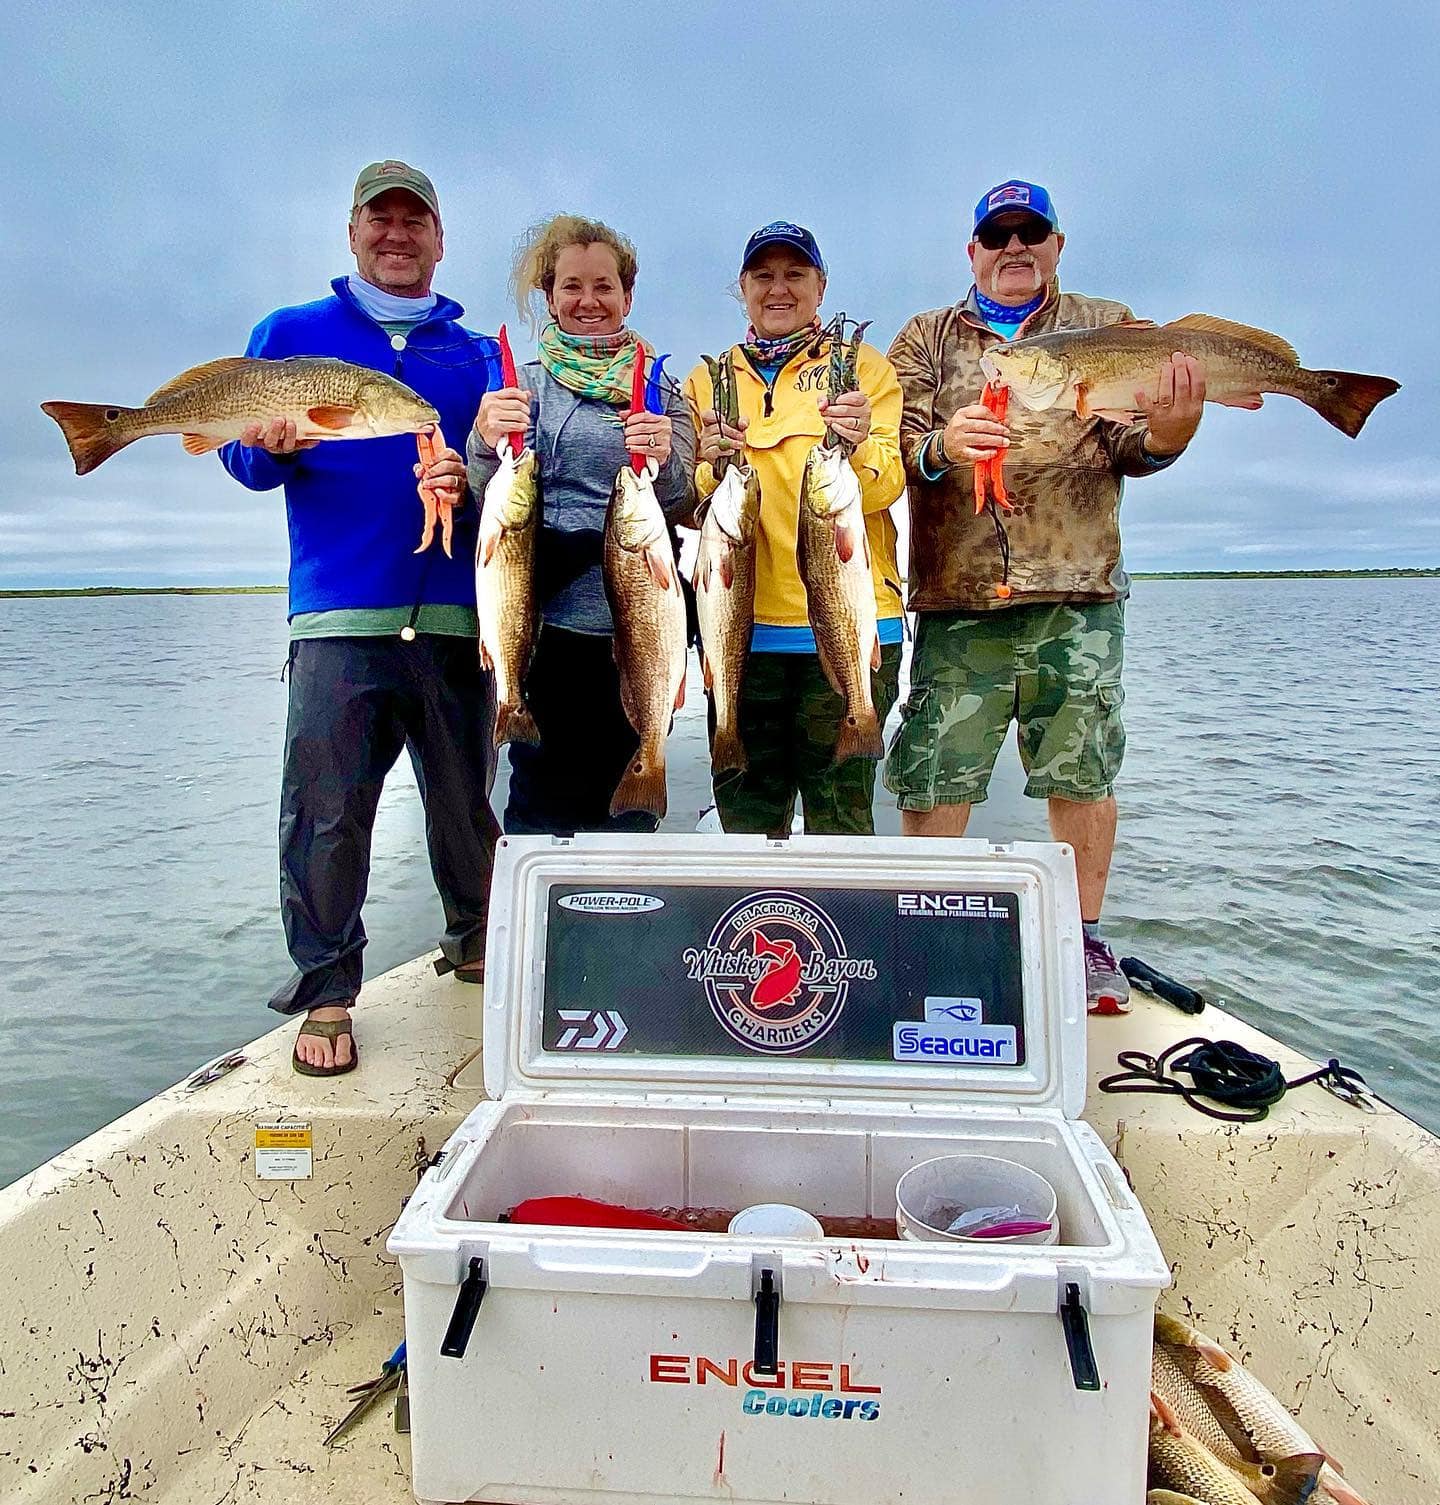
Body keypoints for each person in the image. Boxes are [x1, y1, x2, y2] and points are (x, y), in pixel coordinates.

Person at [885, 180, 1206, 1014]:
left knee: (1084, 769)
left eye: (1032, 232)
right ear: (973, 251)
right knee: (934, 774)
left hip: (1079, 589)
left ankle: (1085, 935)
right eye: (998, 234)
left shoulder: (1108, 326)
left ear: (1058, 245)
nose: (1014, 247)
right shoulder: (924, 336)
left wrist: (1171, 431)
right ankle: (928, 933)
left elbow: (1136, 445)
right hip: (958, 597)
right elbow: (893, 446)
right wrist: (941, 444)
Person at [220, 160, 501, 1075]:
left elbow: (504, 473)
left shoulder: (474, 355)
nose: (396, 235)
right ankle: (328, 988)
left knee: (466, 805)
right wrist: (263, 446)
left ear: (438, 239)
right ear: (351, 233)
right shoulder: (293, 333)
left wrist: (473, 473)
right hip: (336, 616)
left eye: (413, 221)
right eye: (378, 221)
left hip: (459, 613)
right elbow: (244, 465)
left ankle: (476, 940)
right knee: (327, 809)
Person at [467, 214, 696, 835]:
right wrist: (486, 441)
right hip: (549, 626)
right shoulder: (526, 388)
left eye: (604, 287)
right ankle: (543, 921)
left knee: (624, 806)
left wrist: (669, 454)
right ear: (549, 297)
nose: (588, 301)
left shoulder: (661, 388)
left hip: (642, 626)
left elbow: (678, 499)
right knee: (542, 798)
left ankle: (627, 920)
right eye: (572, 287)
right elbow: (491, 497)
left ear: (627, 294)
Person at [684, 221, 905, 835]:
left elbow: (887, 486)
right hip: (740, 629)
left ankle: (847, 931)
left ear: (821, 285)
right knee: (747, 821)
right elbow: (693, 509)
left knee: (841, 822)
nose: (778, 289)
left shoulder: (864, 369)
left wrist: (858, 446)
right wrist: (708, 465)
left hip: (846, 628)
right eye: (763, 275)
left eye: (795, 274)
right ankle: (754, 929)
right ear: (743, 287)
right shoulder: (707, 380)